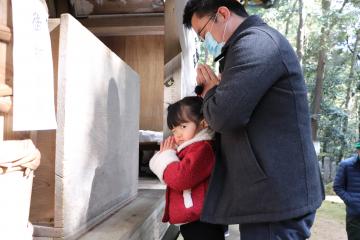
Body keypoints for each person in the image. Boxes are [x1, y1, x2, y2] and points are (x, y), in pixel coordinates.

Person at [182, 1, 324, 239]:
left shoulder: (255, 43)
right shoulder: (247, 45)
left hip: (275, 197)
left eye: (203, 33)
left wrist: (210, 92)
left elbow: (224, 117)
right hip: (270, 195)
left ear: (223, 14)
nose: (206, 40)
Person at [149, 96, 225, 240]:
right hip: (194, 219)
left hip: (201, 221)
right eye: (173, 130)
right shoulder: (191, 148)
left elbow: (181, 178)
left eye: (183, 127)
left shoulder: (202, 148)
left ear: (203, 123)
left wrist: (166, 157)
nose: (178, 135)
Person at [333, 141, 360, 240]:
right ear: (358, 150)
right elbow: (337, 187)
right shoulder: (346, 165)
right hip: (354, 216)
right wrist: (351, 201)